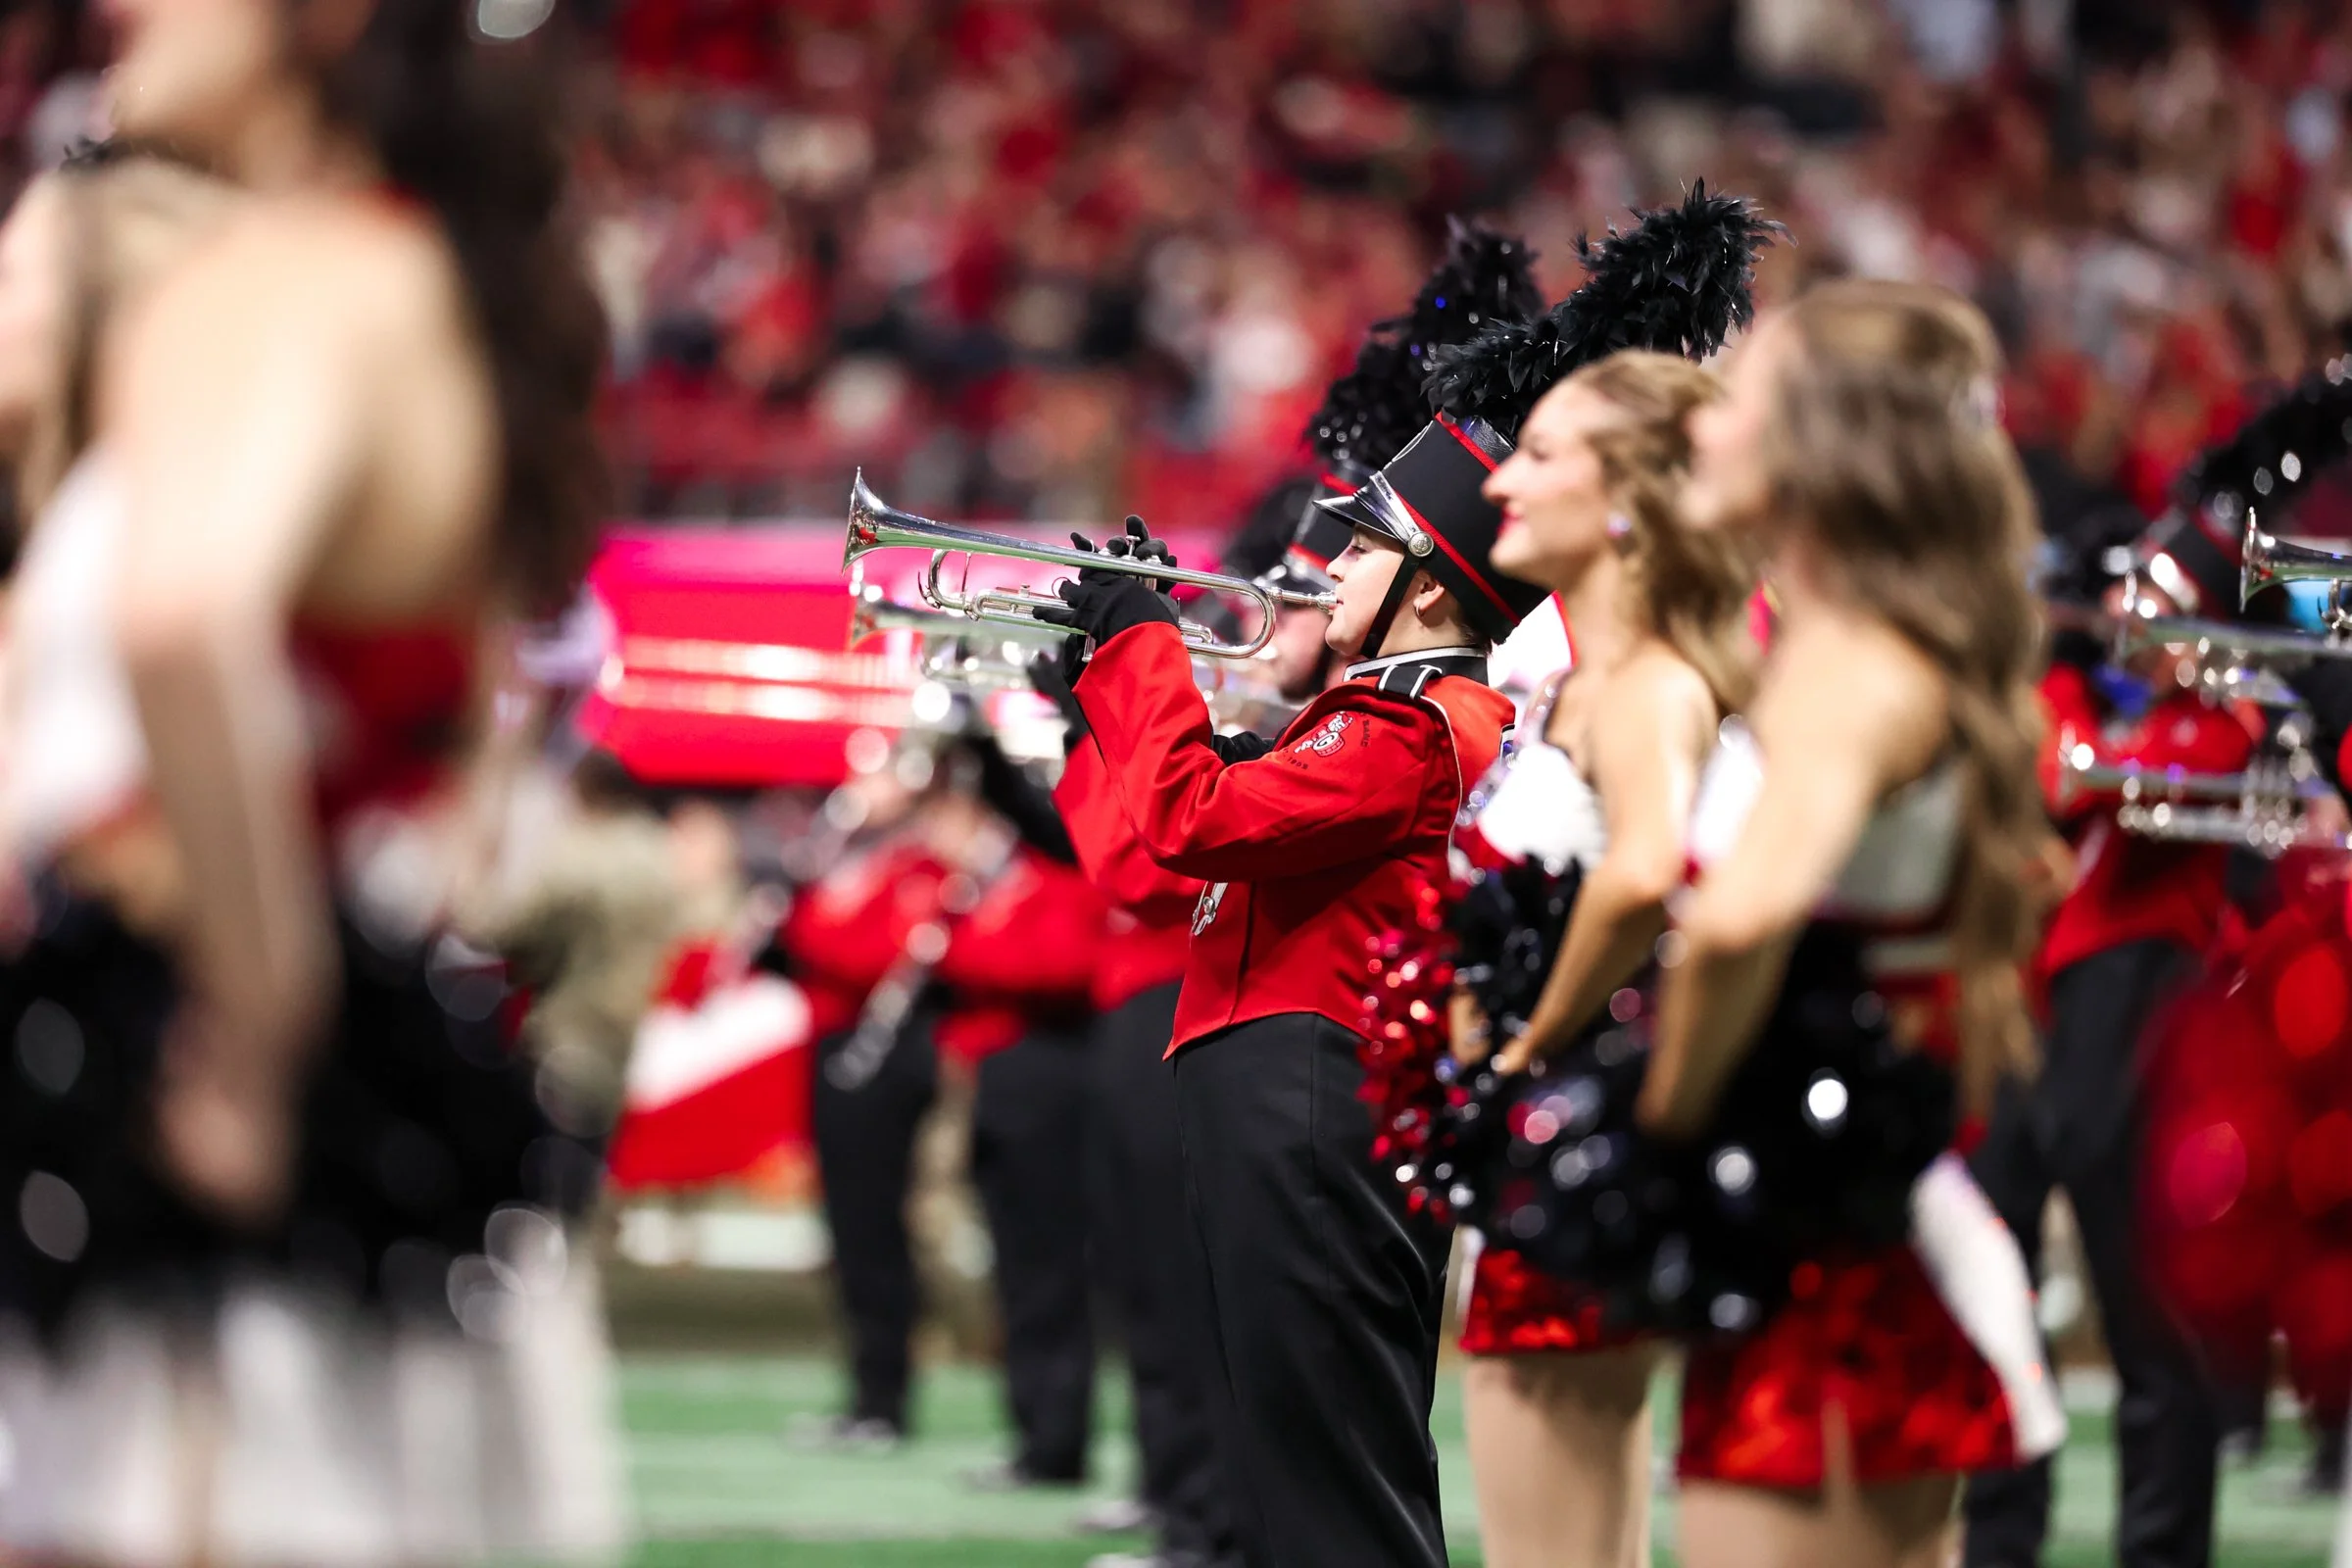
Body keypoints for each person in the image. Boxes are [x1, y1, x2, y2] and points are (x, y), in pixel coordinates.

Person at [0, 0, 625, 1557]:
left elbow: (184, 614)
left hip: (171, 1079)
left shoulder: (282, 285)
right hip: (340, 1086)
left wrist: (255, 1011)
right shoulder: (426, 285)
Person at [1644, 279, 2063, 1568]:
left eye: (1739, 401)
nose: (1702, 430)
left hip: (1818, 1287)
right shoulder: (1874, 653)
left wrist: (1659, 1127)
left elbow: (1737, 923)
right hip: (1851, 1248)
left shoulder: (1850, 668)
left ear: (1821, 443)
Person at [1448, 349, 1757, 1568]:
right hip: (1557, 1149)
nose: (1504, 483)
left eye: (1539, 455)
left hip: (1567, 1154)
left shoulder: (1643, 683)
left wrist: (1528, 1047)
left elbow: (1648, 868)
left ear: (1629, 492)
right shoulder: (1601, 678)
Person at [1960, 523, 2250, 1568]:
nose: (2134, 615)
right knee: (1998, 1309)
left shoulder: (2226, 717)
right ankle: (1998, 1545)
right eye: (2131, 593)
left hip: (2140, 1028)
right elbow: (2047, 778)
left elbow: (2110, 781)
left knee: (2151, 1332)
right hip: (2027, 1025)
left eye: (2161, 597)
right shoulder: (2068, 695)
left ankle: (2162, 1555)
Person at [780, 732, 1103, 1481]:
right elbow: (814, 930)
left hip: (1040, 1077)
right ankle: (1036, 1438)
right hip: (994, 1077)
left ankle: (1050, 1441)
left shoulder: (1031, 875)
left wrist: (954, 952)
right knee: (1017, 1267)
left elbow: (1053, 962)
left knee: (1044, 1270)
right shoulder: (939, 873)